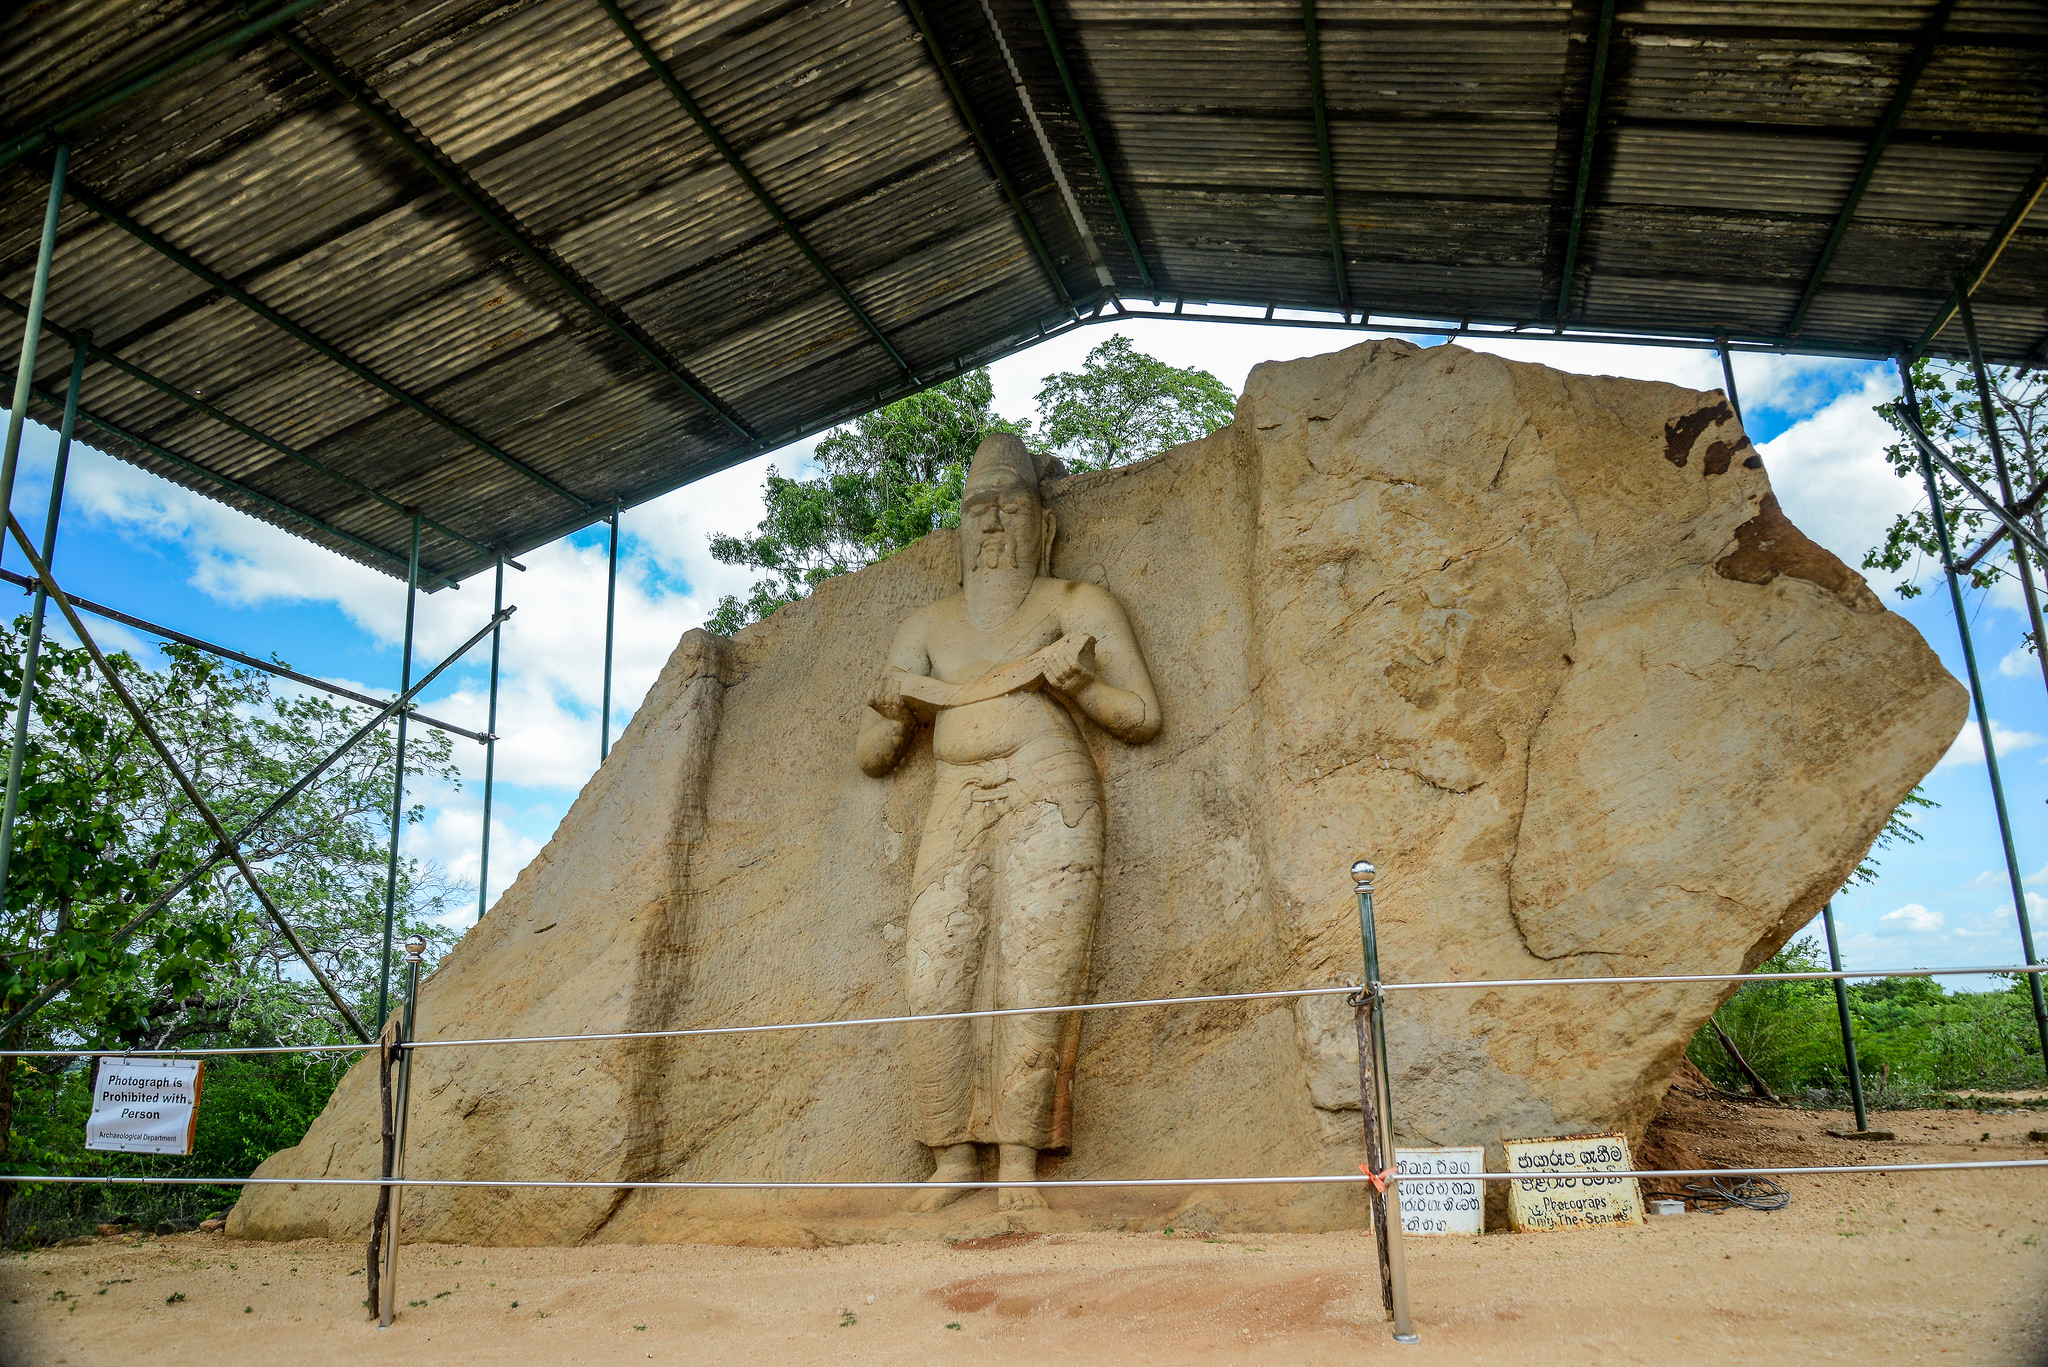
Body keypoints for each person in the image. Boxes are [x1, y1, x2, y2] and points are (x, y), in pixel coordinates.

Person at [858, 433, 1160, 1212]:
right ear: (959, 529)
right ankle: (953, 1152)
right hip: (956, 796)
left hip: (1048, 790)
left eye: (1011, 507)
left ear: (1045, 526)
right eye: (978, 510)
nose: (993, 526)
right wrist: (893, 711)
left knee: (1037, 969)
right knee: (934, 972)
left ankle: (1021, 1159)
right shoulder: (927, 626)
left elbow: (1140, 715)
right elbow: (872, 753)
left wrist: (1080, 687)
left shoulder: (1073, 604)